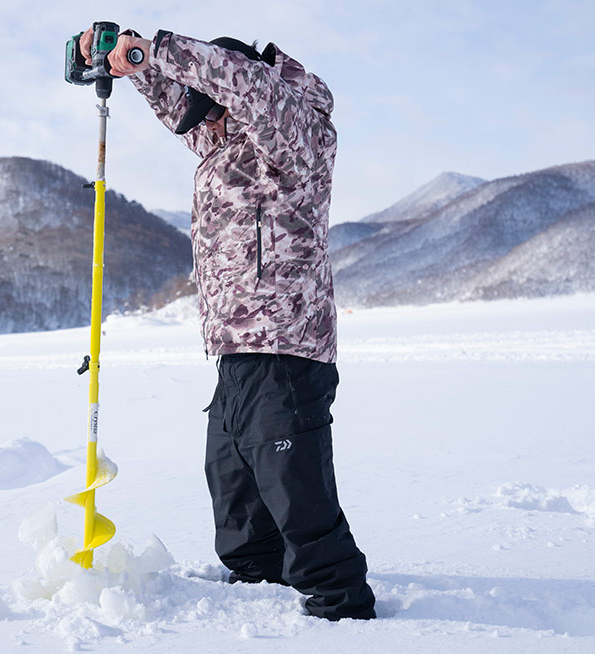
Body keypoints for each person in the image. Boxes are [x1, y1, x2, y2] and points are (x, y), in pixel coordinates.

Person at [79, 27, 376, 621]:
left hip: (284, 342)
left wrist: (154, 49)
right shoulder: (225, 143)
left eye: (208, 109)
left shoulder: (294, 127)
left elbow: (248, 88)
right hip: (234, 345)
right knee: (234, 485)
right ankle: (256, 589)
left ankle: (339, 601)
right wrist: (127, 65)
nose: (200, 128)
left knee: (294, 485)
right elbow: (181, 105)